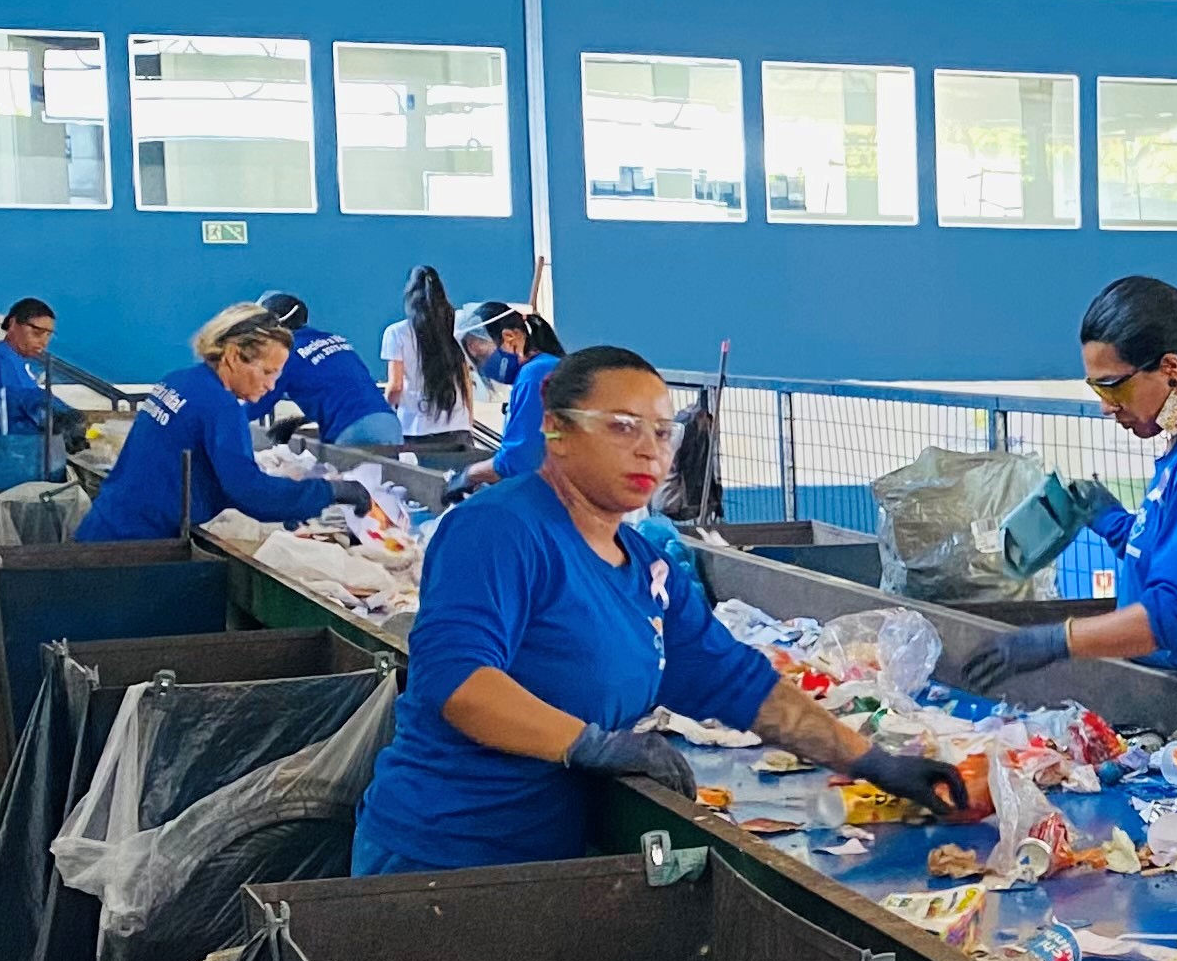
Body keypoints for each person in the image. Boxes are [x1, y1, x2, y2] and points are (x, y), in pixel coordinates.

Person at [351, 343, 957, 871]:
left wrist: (873, 761)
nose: (649, 451)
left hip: (549, 855)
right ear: (556, 431)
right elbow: (457, 682)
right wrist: (589, 743)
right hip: (441, 857)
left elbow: (739, 684)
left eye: (662, 432)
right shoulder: (499, 530)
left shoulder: (646, 566)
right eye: (621, 426)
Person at [950, 278, 1177, 703]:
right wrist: (1111, 520)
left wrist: (1058, 641)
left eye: (1114, 385)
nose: (1106, 406)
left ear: (1171, 368)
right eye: (1096, 388)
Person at [74, 302, 342, 544]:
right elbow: (250, 491)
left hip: (107, 525)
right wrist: (331, 491)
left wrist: (289, 501)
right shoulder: (219, 406)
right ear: (234, 355)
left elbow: (208, 477)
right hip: (135, 545)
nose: (271, 385)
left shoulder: (179, 380)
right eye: (267, 372)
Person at [257, 291, 398, 447]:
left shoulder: (285, 353)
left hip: (351, 430)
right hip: (389, 425)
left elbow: (257, 404)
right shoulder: (335, 340)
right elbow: (344, 392)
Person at [380, 267, 483, 442]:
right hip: (457, 426)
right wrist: (468, 419)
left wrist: (383, 411)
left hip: (415, 428)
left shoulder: (396, 333)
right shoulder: (456, 327)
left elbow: (396, 386)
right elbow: (465, 377)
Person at [487, 312, 571, 481]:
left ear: (510, 338)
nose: (483, 365)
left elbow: (520, 459)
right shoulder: (543, 366)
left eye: (482, 354)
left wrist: (469, 475)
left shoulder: (534, 375)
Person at [0, 298, 62, 436]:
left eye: (48, 335)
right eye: (37, 332)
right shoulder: (1, 357)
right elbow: (9, 399)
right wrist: (52, 409)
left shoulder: (18, 362)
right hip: (0, 449)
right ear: (13, 324)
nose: (44, 342)